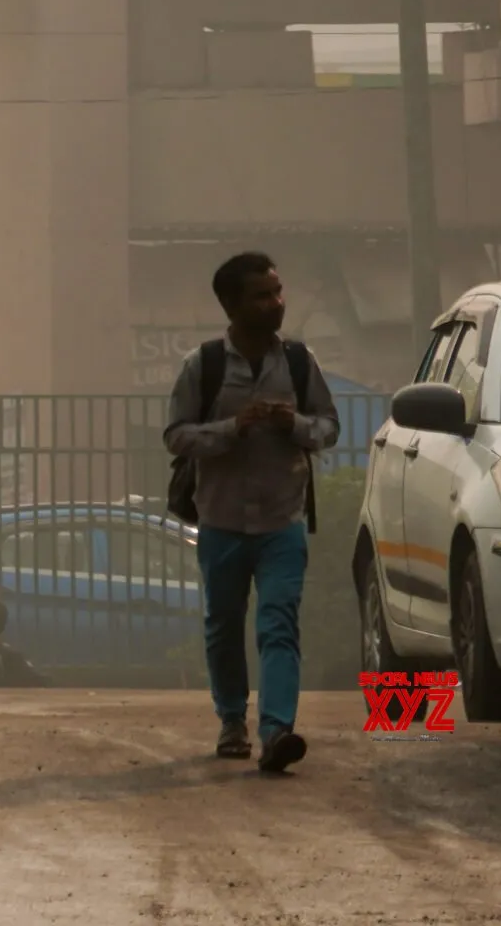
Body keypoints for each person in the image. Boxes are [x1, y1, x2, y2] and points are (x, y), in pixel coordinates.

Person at [164, 250, 340, 774]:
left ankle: (277, 730)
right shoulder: (204, 366)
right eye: (261, 295)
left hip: (282, 521)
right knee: (223, 624)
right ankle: (231, 719)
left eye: (277, 292)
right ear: (231, 304)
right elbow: (176, 436)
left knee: (278, 622)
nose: (275, 304)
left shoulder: (300, 363)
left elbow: (329, 427)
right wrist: (231, 428)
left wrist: (296, 425)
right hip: (220, 522)